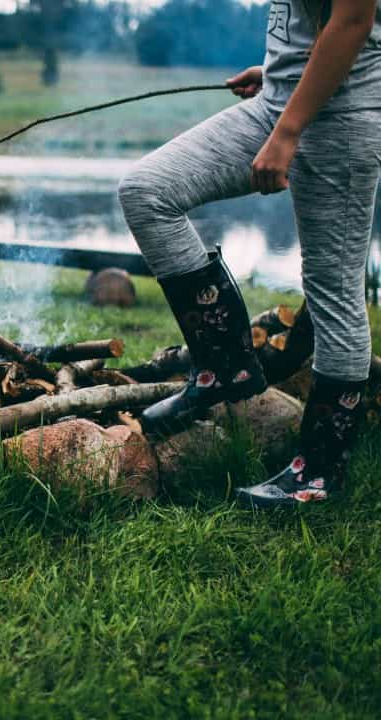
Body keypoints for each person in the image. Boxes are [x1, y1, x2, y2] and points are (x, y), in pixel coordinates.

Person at [118, 0, 381, 508]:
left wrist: (288, 131)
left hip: (340, 121)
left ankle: (318, 475)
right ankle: (226, 366)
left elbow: (354, 20)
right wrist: (282, 73)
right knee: (147, 191)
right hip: (281, 103)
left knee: (333, 289)